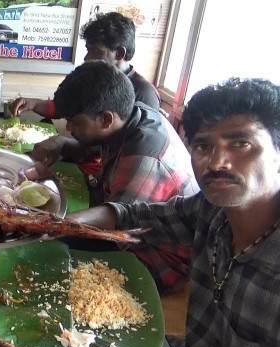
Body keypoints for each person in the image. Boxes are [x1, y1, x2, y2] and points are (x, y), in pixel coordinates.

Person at [65, 77, 280, 347]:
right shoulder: (211, 210)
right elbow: (132, 215)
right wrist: (57, 224)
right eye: (203, 147)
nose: (216, 163)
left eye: (240, 143)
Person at [28, 61, 198, 292]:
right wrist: (60, 143)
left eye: (75, 122)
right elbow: (89, 147)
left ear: (106, 119)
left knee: (41, 252)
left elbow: (115, 226)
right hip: (128, 222)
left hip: (159, 258)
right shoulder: (131, 114)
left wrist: (54, 226)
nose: (68, 128)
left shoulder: (144, 157)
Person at [10, 11, 160, 118]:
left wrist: (73, 147)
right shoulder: (93, 78)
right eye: (88, 50)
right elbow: (65, 107)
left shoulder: (145, 94)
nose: (87, 58)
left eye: (95, 51)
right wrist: (34, 104)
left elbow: (137, 147)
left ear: (119, 54)